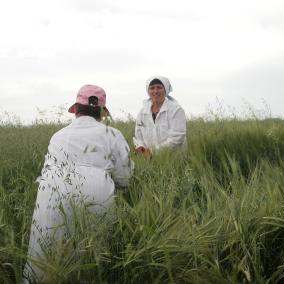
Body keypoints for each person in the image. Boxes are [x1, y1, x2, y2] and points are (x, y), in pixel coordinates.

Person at [24, 85, 133, 282]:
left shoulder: (58, 135)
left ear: (76, 111)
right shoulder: (112, 134)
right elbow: (124, 178)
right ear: (102, 112)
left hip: (51, 190)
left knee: (45, 253)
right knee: (90, 257)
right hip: (95, 190)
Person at [134, 76, 187, 158]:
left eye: (159, 87)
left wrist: (153, 151)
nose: (155, 91)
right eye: (152, 88)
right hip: (149, 160)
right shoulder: (142, 113)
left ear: (165, 90)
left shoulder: (176, 110)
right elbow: (138, 136)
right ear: (148, 91)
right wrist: (141, 147)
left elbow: (177, 137)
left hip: (174, 159)